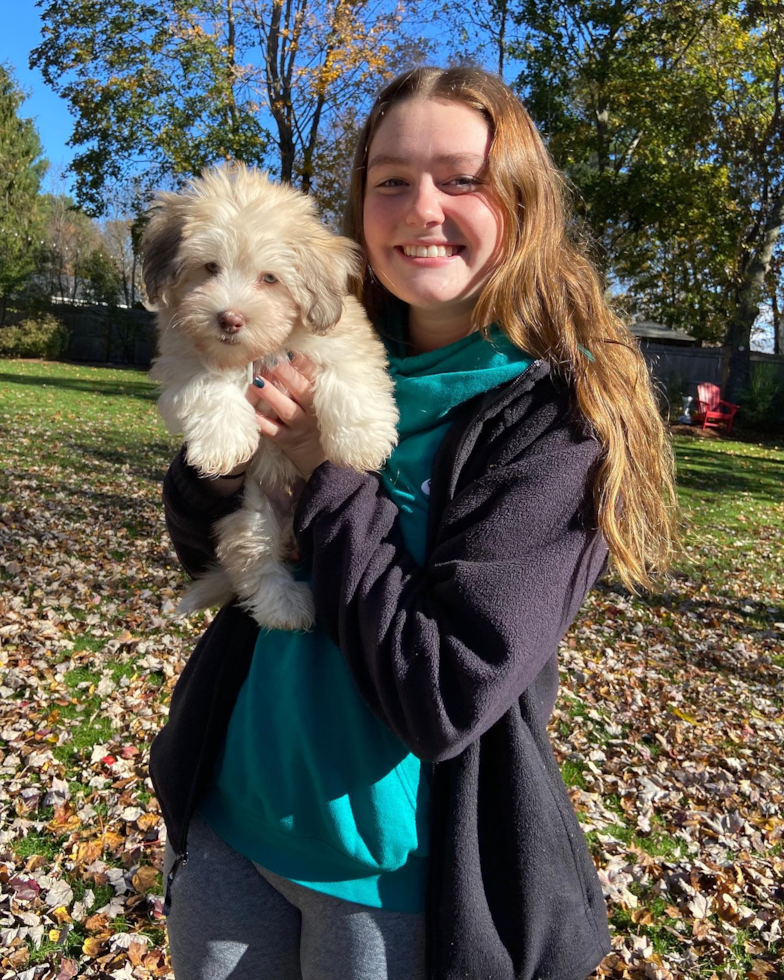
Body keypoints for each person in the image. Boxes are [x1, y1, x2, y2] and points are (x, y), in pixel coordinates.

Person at [150, 67, 678, 980]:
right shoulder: (315, 326)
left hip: (398, 881)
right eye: (391, 179)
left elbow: (445, 693)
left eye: (459, 178)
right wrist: (220, 459)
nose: (420, 207)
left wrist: (328, 473)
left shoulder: (558, 420)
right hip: (232, 814)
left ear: (519, 201)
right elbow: (204, 541)